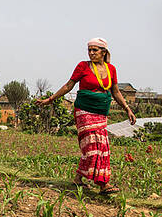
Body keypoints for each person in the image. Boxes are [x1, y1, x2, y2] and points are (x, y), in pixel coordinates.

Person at [36, 37, 136, 194]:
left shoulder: (111, 70)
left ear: (103, 52)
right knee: (91, 146)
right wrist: (50, 99)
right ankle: (103, 184)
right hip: (84, 110)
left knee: (102, 147)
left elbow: (115, 92)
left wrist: (127, 109)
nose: (91, 53)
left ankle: (82, 180)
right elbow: (69, 85)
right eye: (89, 50)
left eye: (95, 50)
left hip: (101, 112)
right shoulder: (83, 66)